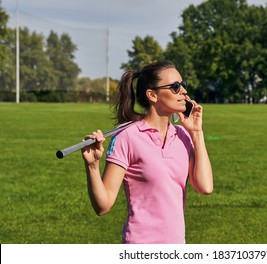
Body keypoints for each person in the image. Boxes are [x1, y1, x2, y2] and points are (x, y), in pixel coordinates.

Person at [81, 60, 213, 244]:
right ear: (152, 95)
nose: (184, 91)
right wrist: (92, 166)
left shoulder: (183, 135)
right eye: (175, 87)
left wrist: (197, 133)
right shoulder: (127, 136)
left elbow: (205, 187)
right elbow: (103, 206)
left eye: (183, 85)